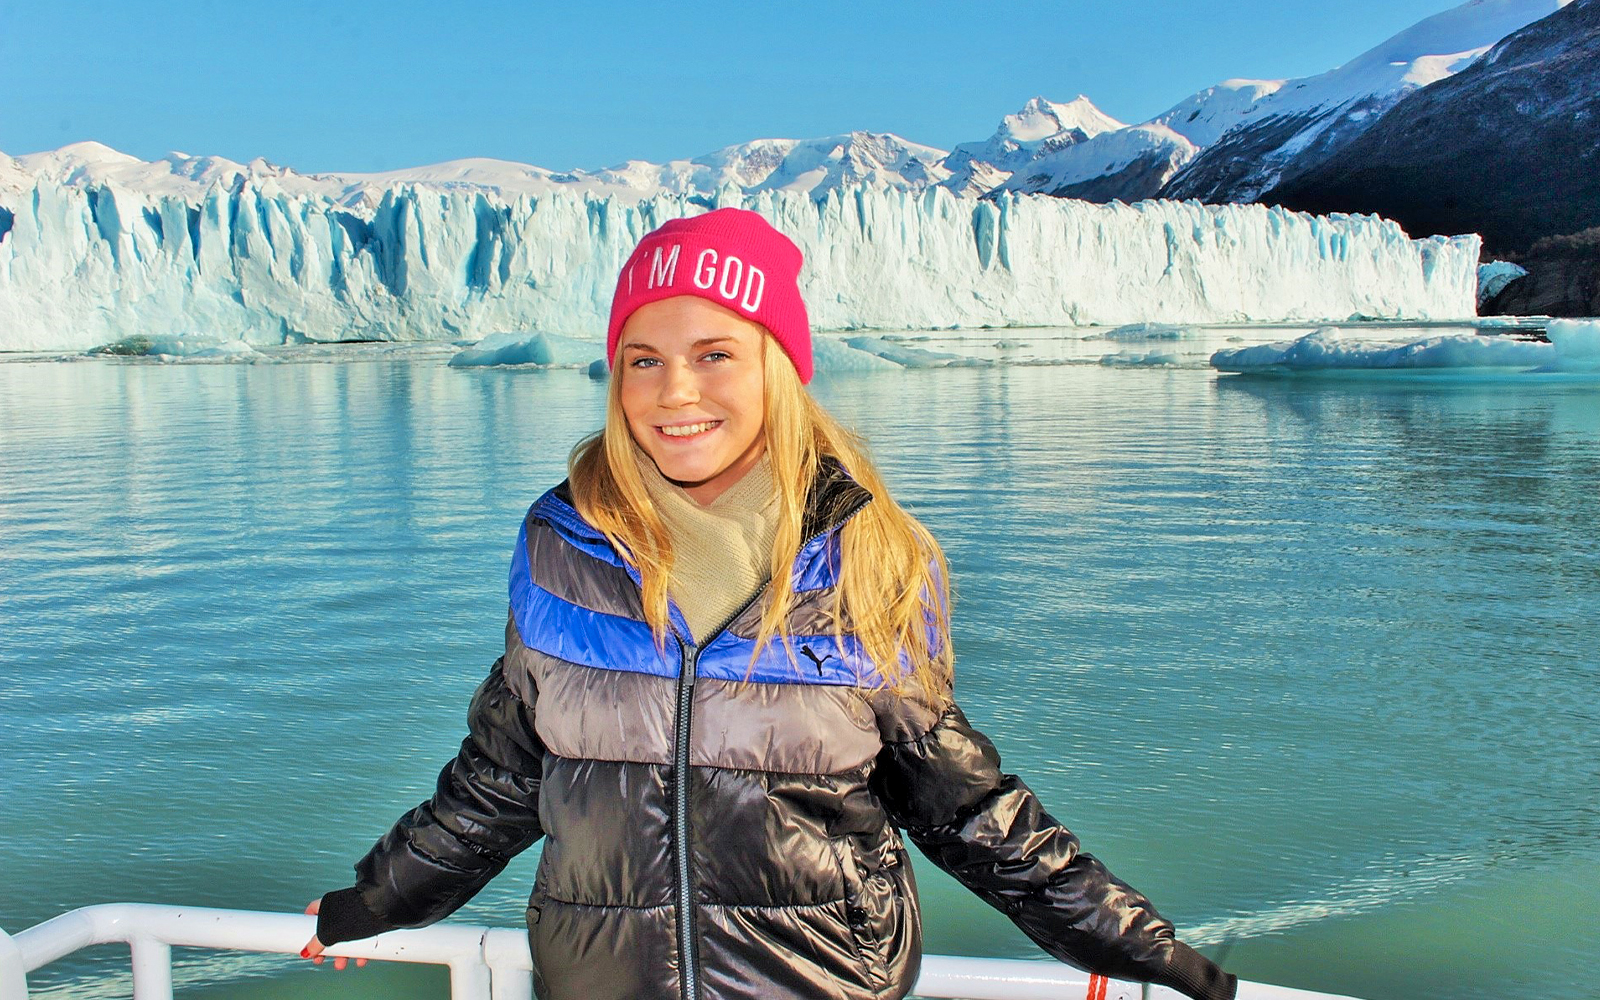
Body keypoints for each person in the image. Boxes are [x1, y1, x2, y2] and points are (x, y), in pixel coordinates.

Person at [301, 208, 1237, 1000]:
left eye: (715, 353)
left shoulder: (865, 559)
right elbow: (504, 776)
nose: (675, 393)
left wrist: (1135, 943)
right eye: (642, 359)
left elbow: (962, 807)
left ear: (779, 366)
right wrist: (372, 902)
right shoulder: (561, 546)